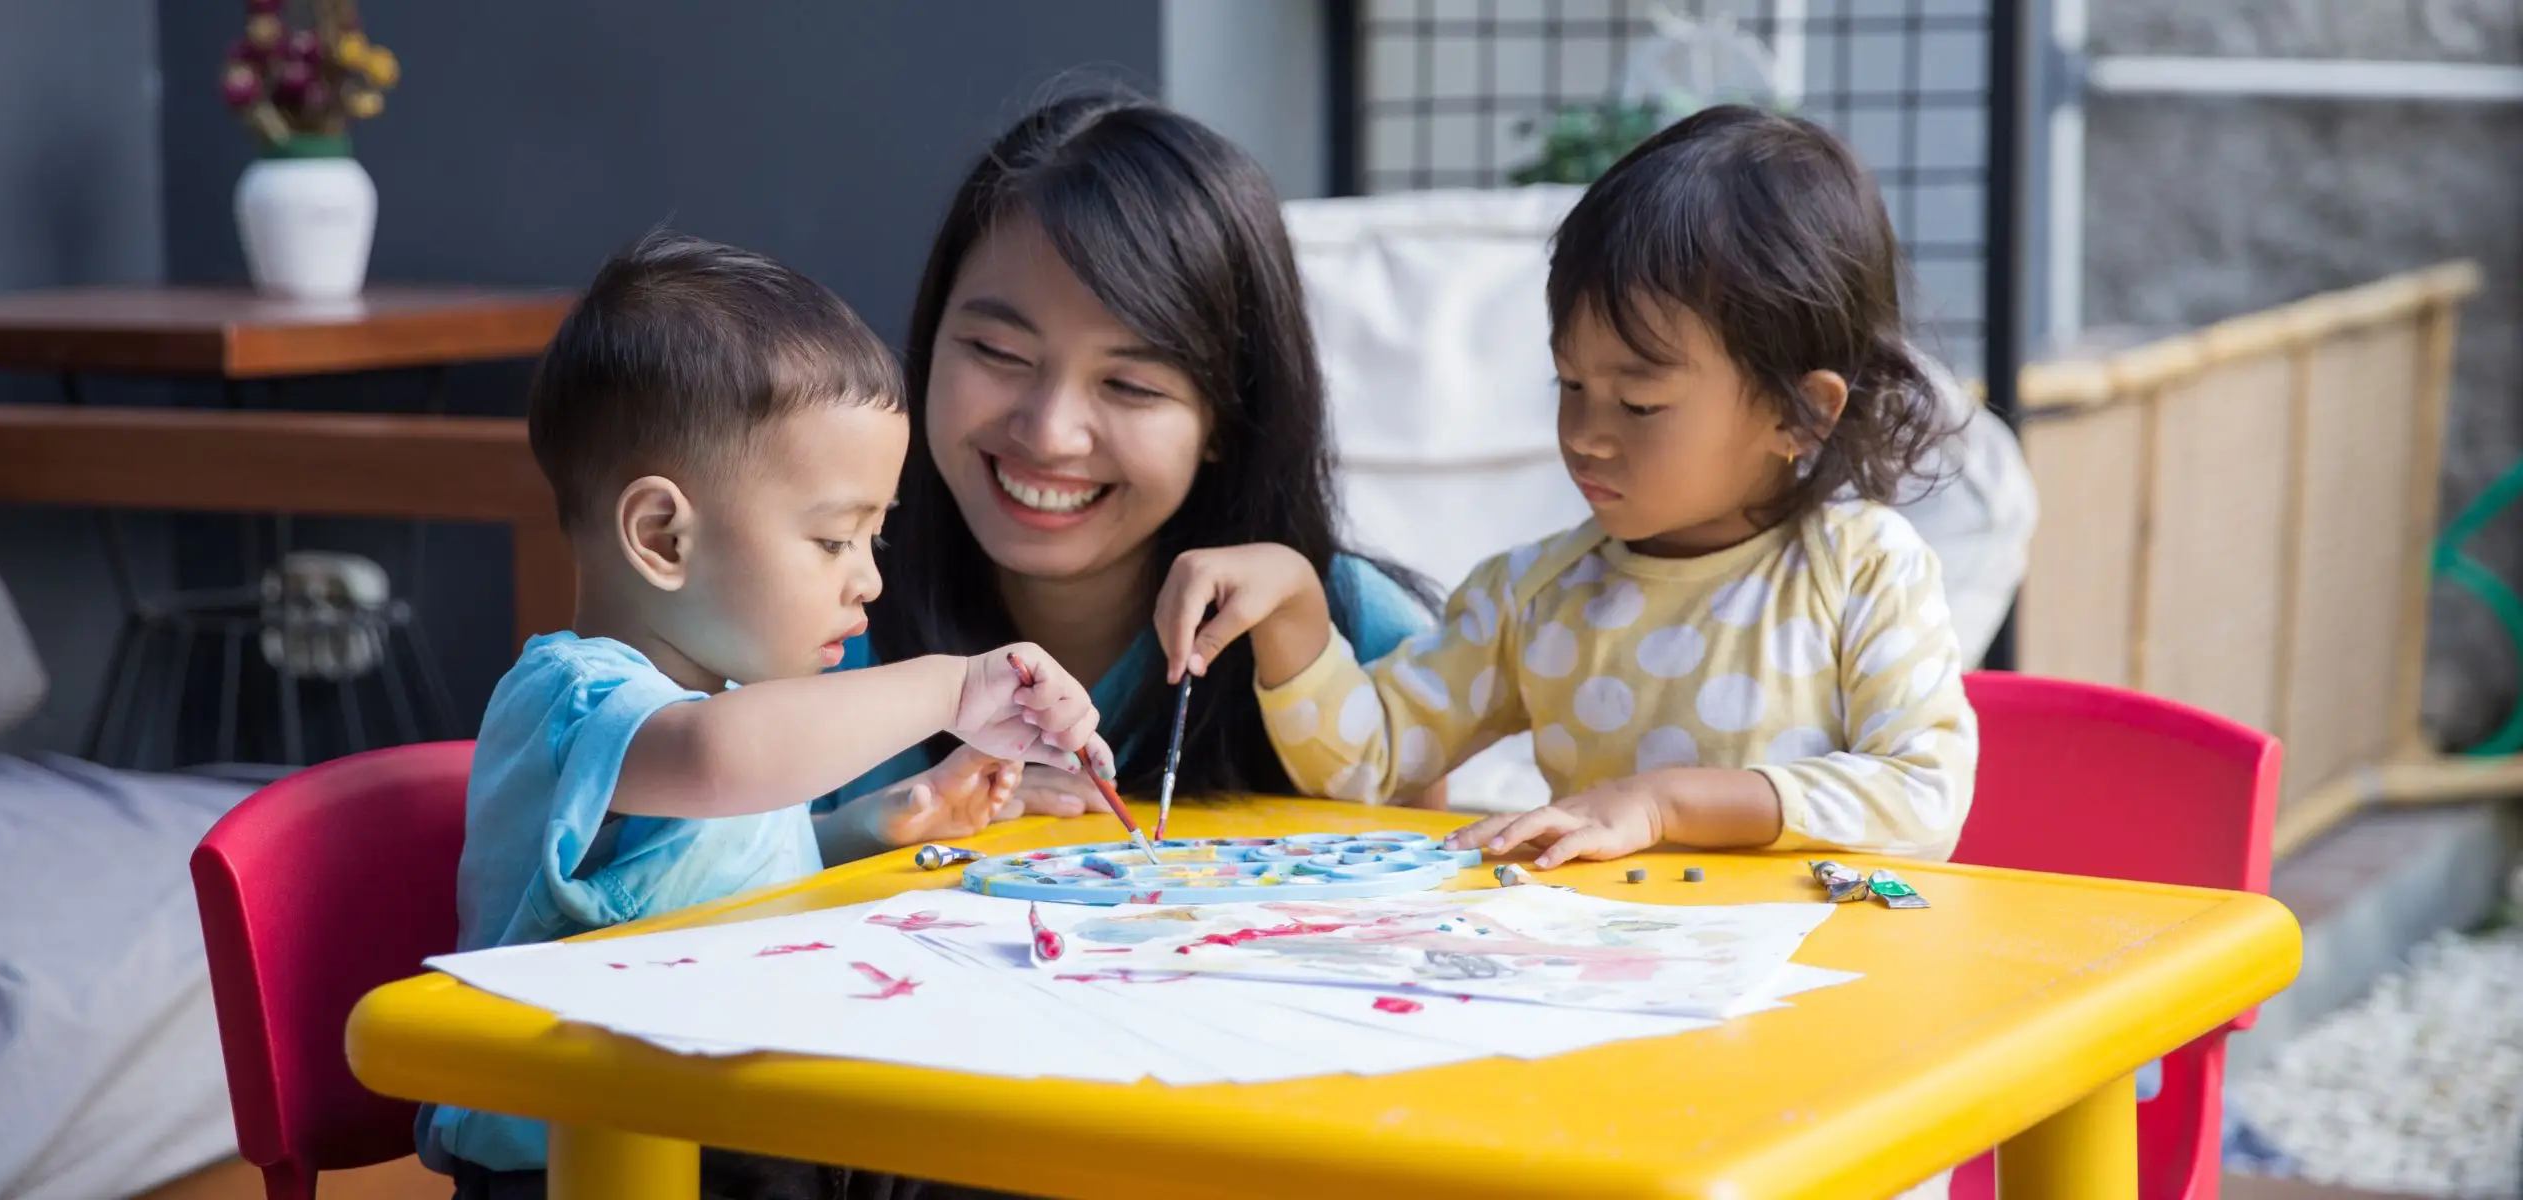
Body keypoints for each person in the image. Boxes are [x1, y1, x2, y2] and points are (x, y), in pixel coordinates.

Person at [420, 230, 1099, 1199]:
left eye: (876, 534)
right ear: (662, 536)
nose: (867, 578)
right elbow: (716, 765)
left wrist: (869, 824)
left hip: (726, 1125)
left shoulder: (728, 707)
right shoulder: (578, 700)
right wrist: (950, 690)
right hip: (586, 1159)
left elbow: (704, 872)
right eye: (832, 539)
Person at [1158, 104, 1979, 869]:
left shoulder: (1863, 570)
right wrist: (1296, 606)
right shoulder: (1534, 598)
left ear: (1801, 414)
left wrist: (1662, 804)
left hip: (1826, 994)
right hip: (1600, 990)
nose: (1586, 434)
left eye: (1640, 402)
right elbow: (1367, 762)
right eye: (1569, 385)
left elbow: (1922, 794)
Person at [821, 90, 1443, 820]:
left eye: (1130, 385)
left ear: (1225, 414)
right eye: (997, 351)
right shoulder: (809, 610)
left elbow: (1420, 877)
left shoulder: (1342, 628)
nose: (1050, 432)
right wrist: (875, 823)